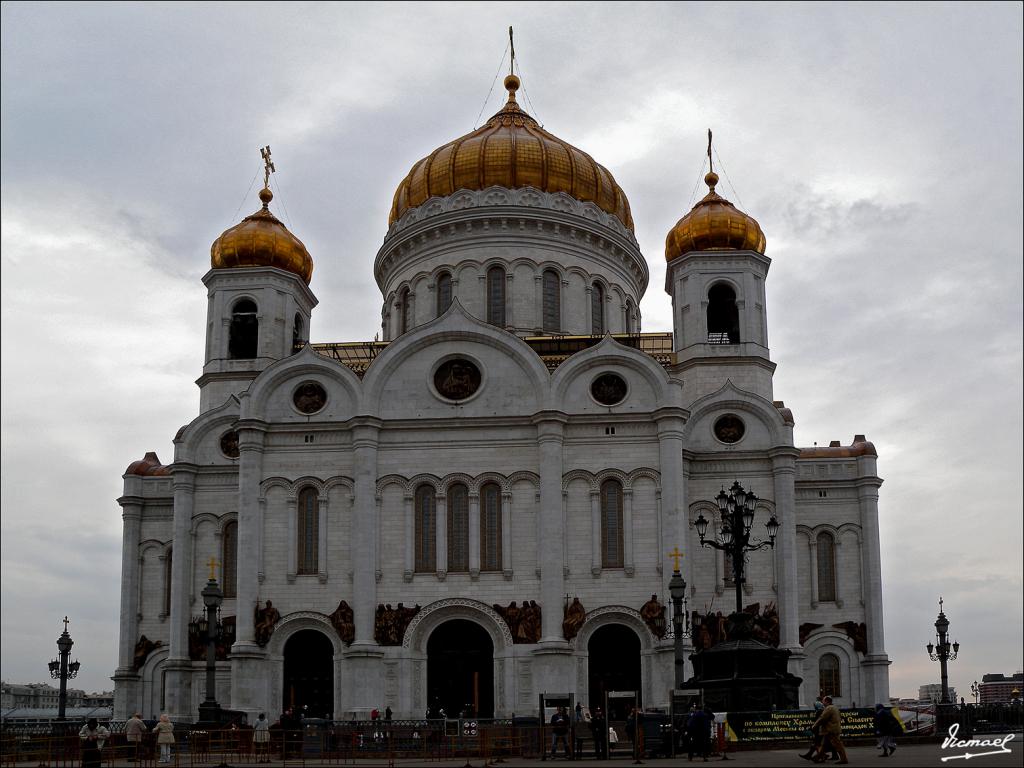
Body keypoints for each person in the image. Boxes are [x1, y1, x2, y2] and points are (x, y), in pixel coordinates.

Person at [811, 696, 848, 764]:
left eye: (823, 701)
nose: (822, 702)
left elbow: (822, 718)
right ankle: (817, 757)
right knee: (824, 744)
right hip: (831, 729)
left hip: (831, 730)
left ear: (827, 701)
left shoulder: (829, 708)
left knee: (837, 744)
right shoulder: (834, 707)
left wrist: (814, 725)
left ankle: (844, 759)